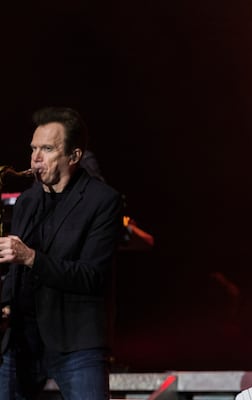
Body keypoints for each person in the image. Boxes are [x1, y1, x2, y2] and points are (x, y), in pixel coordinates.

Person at [0, 107, 123, 399]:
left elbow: (91, 276)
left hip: (76, 344)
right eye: (33, 148)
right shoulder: (28, 201)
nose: (35, 159)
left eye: (47, 149)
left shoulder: (103, 201)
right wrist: (5, 302)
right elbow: (16, 271)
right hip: (21, 343)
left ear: (74, 156)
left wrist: (30, 257)